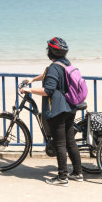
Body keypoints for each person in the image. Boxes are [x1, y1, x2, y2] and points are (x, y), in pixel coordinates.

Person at [20, 37, 83, 186]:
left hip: (58, 109)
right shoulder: (65, 63)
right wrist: (33, 79)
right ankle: (78, 173)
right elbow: (48, 75)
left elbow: (48, 90)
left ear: (51, 51)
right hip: (70, 107)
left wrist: (29, 89)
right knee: (70, 142)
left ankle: (62, 178)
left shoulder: (54, 67)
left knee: (60, 144)